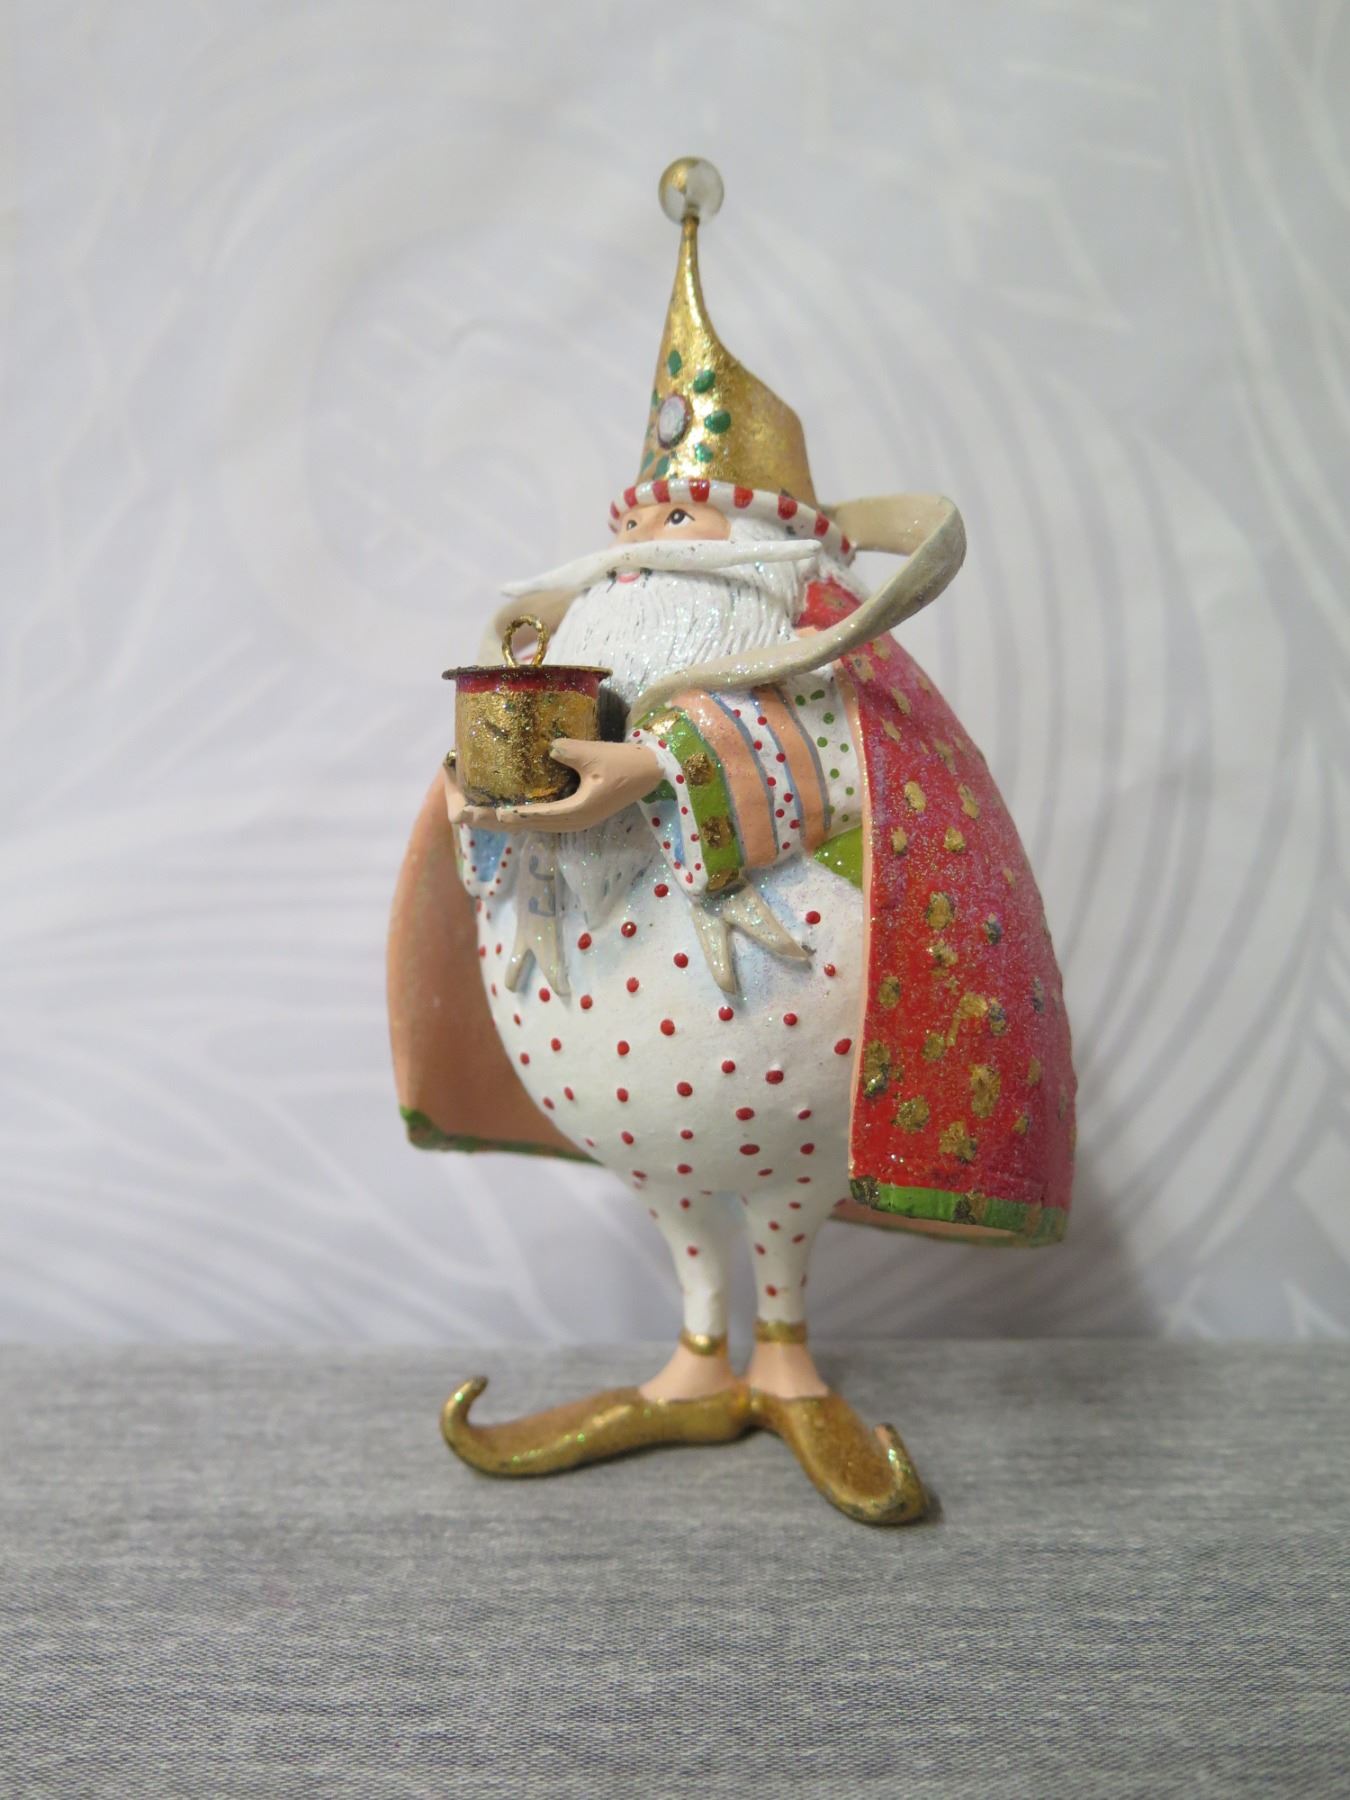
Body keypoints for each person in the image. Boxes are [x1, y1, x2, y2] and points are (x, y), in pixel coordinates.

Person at [389, 159, 1075, 1525]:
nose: (654, 551)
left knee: (772, 1183)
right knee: (671, 1174)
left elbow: (824, 777)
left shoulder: (811, 664)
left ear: (761, 550)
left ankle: (780, 1351)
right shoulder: (585, 635)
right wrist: (482, 805)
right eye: (643, 528)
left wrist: (652, 766)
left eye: (685, 524)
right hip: (593, 1006)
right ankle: (700, 1350)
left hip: (771, 1019)